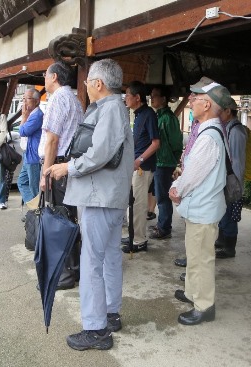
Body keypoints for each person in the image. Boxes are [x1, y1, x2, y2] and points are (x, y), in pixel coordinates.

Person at [44, 58, 134, 351]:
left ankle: (96, 330)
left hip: (101, 196)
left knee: (91, 261)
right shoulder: (112, 109)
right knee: (108, 256)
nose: (85, 86)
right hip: (107, 196)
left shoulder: (109, 109)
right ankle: (110, 313)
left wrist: (67, 167)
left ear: (98, 84)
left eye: (87, 82)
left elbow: (99, 154)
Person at [169, 77, 230, 326]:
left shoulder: (208, 136)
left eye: (196, 99)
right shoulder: (209, 131)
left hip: (203, 209)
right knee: (195, 255)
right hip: (200, 208)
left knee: (202, 259)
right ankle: (192, 293)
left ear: (207, 105)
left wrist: (177, 189)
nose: (191, 101)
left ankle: (204, 306)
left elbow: (193, 174)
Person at [38, 61, 84, 290]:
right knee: (69, 217)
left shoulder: (57, 98)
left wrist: (44, 173)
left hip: (58, 167)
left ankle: (64, 274)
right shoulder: (74, 99)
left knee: (59, 219)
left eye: (45, 75)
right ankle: (74, 270)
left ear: (54, 77)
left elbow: (53, 140)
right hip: (69, 166)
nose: (44, 80)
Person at [121, 81, 160, 253]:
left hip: (142, 167)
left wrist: (140, 160)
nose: (126, 98)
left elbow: (156, 143)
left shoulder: (149, 114)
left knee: (138, 204)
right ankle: (133, 234)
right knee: (132, 202)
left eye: (128, 95)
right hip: (135, 165)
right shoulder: (137, 114)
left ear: (138, 97)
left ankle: (139, 240)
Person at [148, 85, 183, 240]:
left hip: (165, 162)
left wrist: (173, 160)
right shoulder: (159, 116)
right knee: (160, 195)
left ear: (163, 99)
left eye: (155, 95)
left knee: (162, 197)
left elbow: (176, 143)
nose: (152, 98)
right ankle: (162, 224)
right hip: (159, 161)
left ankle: (164, 228)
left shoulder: (168, 118)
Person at [214, 98, 246, 258]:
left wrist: (234, 183)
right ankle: (221, 240)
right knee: (224, 212)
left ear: (228, 111)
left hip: (232, 180)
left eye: (220, 110)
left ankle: (229, 248)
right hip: (228, 178)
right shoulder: (228, 128)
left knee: (230, 214)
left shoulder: (236, 131)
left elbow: (237, 160)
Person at [17, 88, 43, 206]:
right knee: (22, 182)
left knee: (34, 187)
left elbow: (23, 131)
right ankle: (34, 208)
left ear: (37, 101)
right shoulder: (31, 114)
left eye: (27, 99)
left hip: (33, 157)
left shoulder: (37, 115)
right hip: (28, 154)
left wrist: (23, 117)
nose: (24, 102)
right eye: (23, 99)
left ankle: (38, 213)